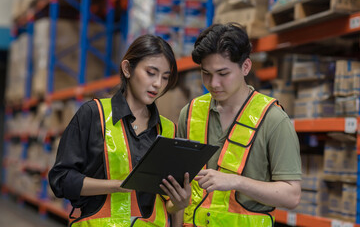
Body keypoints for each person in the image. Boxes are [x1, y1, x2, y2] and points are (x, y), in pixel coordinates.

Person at [48, 34, 191, 227]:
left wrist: (179, 202)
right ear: (127, 69)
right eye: (151, 73)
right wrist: (115, 186)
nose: (158, 84)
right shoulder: (93, 115)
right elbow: (62, 180)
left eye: (165, 77)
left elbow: (168, 204)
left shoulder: (168, 130)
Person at [176, 23, 302, 227]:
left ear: (246, 67)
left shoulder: (273, 120)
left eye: (223, 74)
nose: (213, 83)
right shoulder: (189, 114)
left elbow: (292, 196)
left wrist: (236, 181)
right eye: (206, 73)